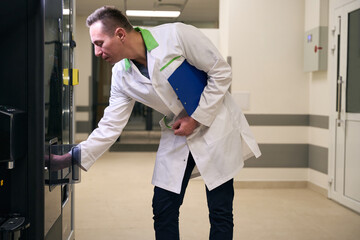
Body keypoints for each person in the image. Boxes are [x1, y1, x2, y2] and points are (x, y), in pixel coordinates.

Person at [55, 6, 261, 240]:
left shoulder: (176, 35)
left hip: (215, 124)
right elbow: (111, 124)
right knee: (163, 208)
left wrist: (196, 119)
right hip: (177, 133)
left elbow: (221, 72)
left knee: (220, 210)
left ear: (120, 34)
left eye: (100, 43)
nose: (96, 51)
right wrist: (72, 156)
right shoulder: (120, 74)